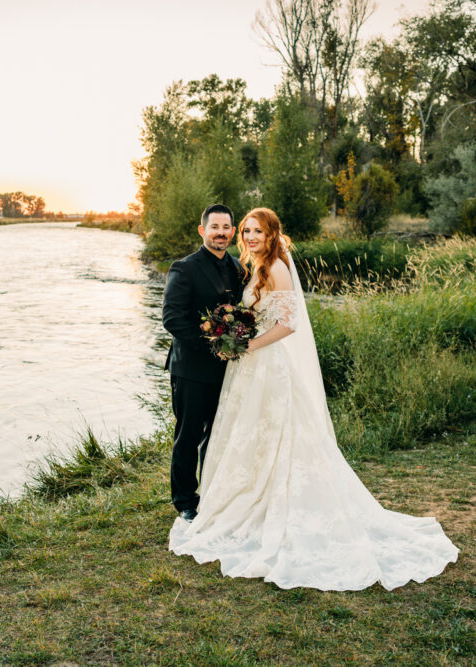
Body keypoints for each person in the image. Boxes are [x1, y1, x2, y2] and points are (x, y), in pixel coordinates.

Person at [169, 208, 459, 591]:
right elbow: (185, 317)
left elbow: (288, 323)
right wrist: (230, 341)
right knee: (217, 433)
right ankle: (200, 499)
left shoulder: (273, 268)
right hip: (221, 367)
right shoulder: (230, 266)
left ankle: (258, 502)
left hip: (263, 364)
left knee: (272, 433)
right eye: (246, 230)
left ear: (272, 234)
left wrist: (244, 345)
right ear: (206, 229)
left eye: (254, 230)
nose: (248, 236)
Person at [162, 204, 244, 522]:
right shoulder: (184, 268)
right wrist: (213, 342)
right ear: (203, 230)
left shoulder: (238, 268)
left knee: (218, 434)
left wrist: (235, 340)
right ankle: (184, 501)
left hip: (227, 370)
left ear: (232, 232)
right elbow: (172, 319)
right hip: (191, 370)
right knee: (188, 436)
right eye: (214, 227)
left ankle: (211, 494)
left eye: (226, 227)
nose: (220, 233)